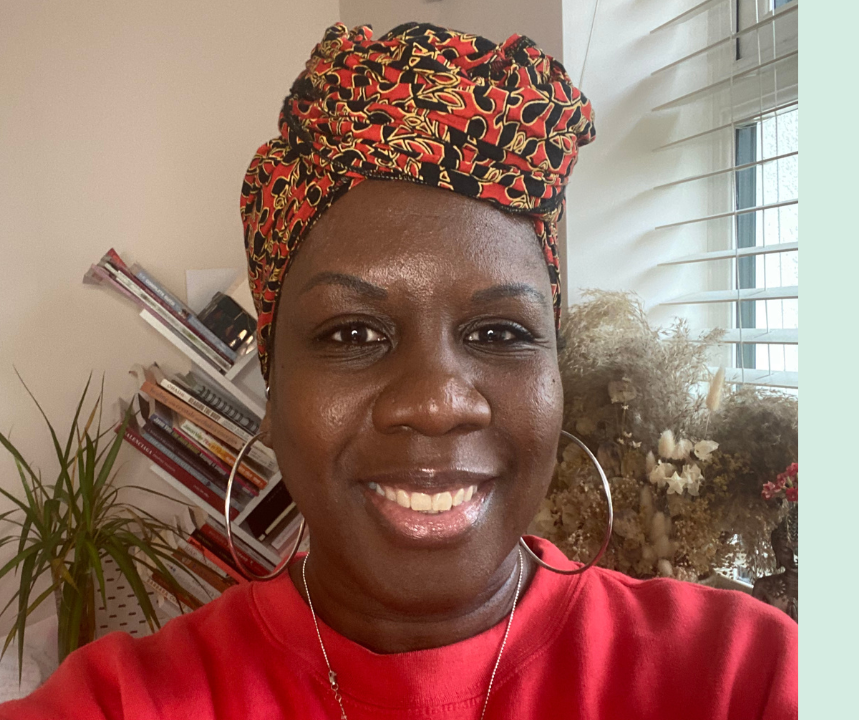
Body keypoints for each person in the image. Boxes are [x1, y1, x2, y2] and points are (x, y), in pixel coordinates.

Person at [0, 22, 797, 719]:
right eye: (352, 332)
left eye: (499, 331)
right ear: (271, 393)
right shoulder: (130, 702)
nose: (437, 403)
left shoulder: (741, 676)